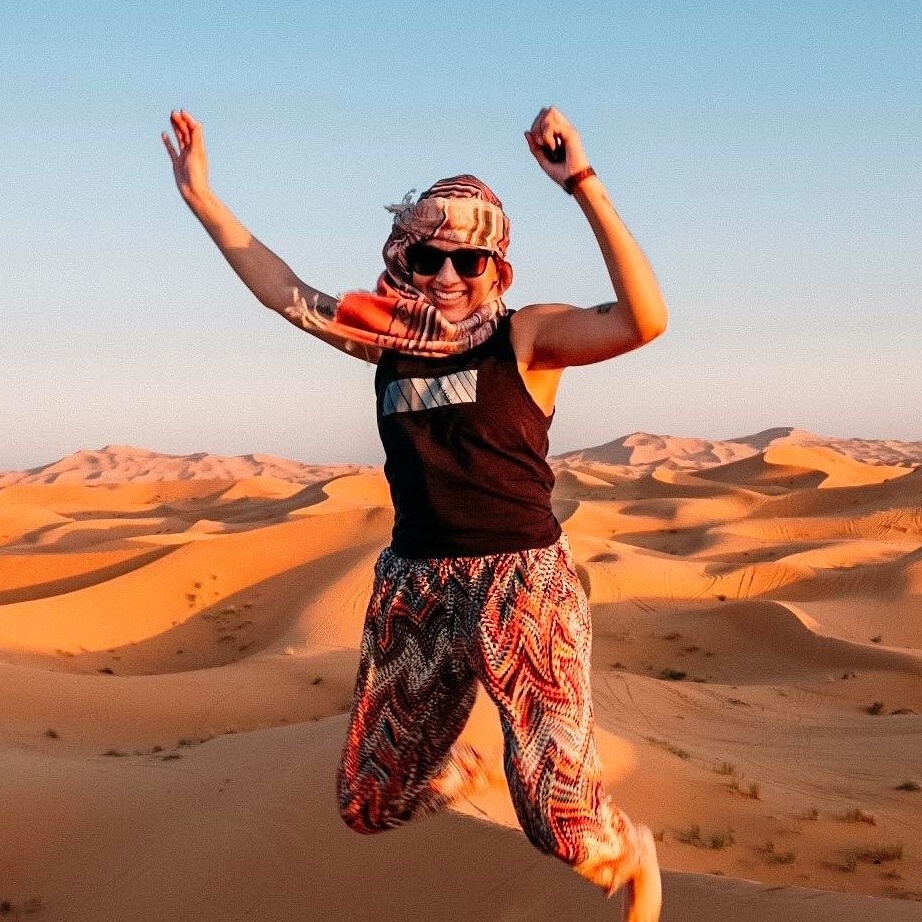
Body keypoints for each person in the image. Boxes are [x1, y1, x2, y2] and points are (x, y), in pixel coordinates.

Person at [163, 105, 667, 921]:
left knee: (564, 828)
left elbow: (644, 321)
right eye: (430, 256)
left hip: (521, 588)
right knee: (369, 802)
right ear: (406, 259)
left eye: (470, 259)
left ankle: (624, 850)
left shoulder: (527, 338)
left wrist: (581, 182)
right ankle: (467, 769)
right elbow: (283, 292)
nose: (448, 275)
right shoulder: (386, 339)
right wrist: (203, 199)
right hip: (417, 590)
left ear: (496, 267)